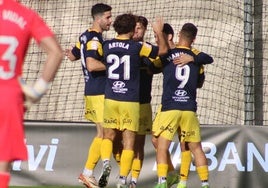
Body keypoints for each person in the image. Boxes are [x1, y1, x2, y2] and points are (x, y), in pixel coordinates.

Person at [97, 13, 169, 188]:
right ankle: (123, 179)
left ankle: (106, 163)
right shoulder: (139, 47)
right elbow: (163, 52)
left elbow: (99, 57)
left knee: (108, 136)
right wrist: (159, 32)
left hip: (111, 97)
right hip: (131, 100)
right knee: (130, 143)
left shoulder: (106, 45)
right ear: (131, 29)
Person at [0, 0, 63, 188]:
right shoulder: (27, 16)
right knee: (2, 163)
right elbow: (56, 53)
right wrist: (37, 91)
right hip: (9, 97)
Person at [152, 23, 212, 188]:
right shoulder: (196, 56)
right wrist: (193, 59)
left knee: (162, 145)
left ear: (178, 35)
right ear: (194, 39)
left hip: (170, 106)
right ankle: (205, 184)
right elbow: (206, 65)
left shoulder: (168, 54)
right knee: (195, 148)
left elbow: (154, 64)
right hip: (189, 108)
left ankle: (163, 181)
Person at [65, 3, 112, 188]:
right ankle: (90, 171)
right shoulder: (94, 38)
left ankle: (88, 173)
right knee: (105, 133)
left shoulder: (85, 35)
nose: (111, 20)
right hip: (98, 90)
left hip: (91, 90)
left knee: (103, 133)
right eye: (108, 17)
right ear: (98, 18)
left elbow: (73, 55)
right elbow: (92, 65)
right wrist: (114, 67)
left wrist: (71, 53)